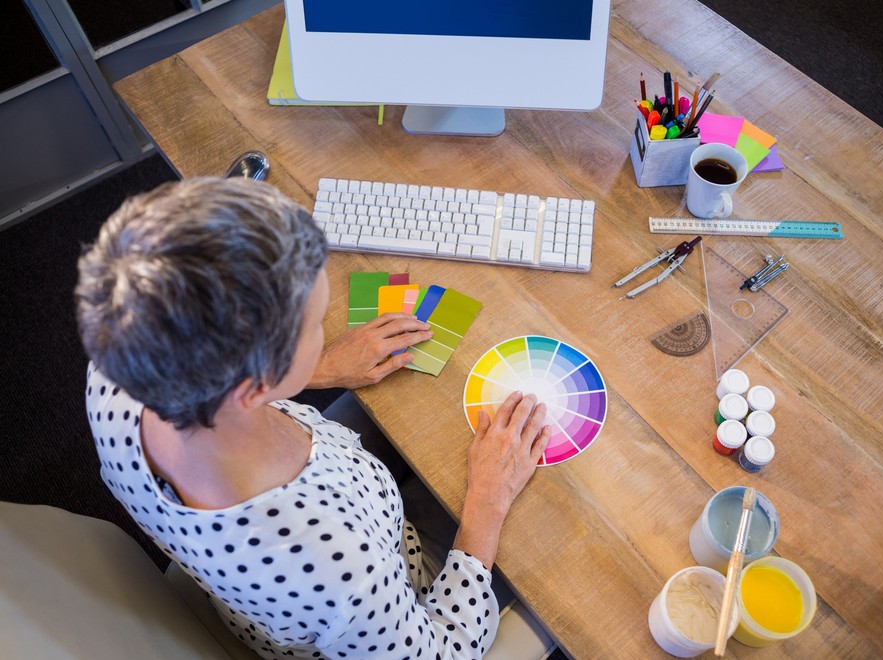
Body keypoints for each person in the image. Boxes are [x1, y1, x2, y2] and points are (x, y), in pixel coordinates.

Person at [75, 177, 551, 659]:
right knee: (554, 529)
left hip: (264, 580)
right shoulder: (336, 569)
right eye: (317, 326)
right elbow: (437, 653)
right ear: (253, 385)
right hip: (393, 595)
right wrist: (487, 506)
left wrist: (312, 370)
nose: (330, 335)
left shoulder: (116, 371)